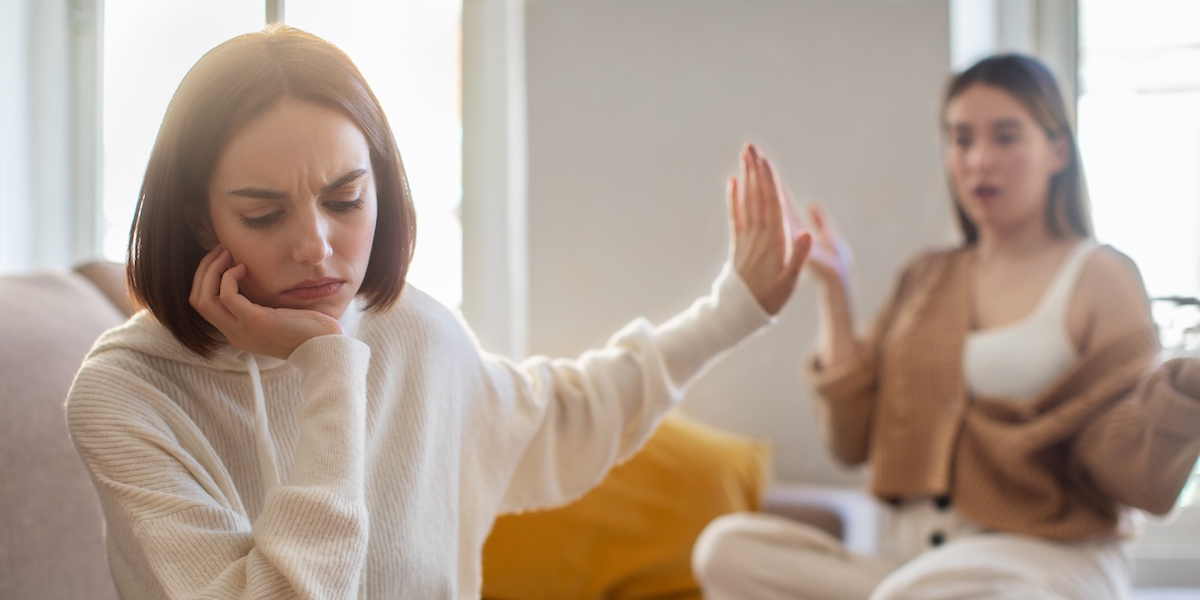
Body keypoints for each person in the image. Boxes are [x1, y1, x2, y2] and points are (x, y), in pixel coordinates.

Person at [65, 25, 813, 599]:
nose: (317, 247)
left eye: (345, 200)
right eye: (263, 215)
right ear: (200, 220)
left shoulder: (412, 332)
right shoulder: (126, 396)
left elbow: (564, 415)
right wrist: (328, 368)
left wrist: (732, 311)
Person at [692, 54, 1200, 600]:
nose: (980, 160)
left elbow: (1136, 473)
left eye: (1006, 137)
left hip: (1043, 563)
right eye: (961, 140)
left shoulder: (1101, 274)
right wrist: (835, 293)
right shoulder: (927, 275)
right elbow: (851, 441)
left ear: (1058, 150)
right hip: (910, 565)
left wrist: (1188, 385)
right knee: (725, 550)